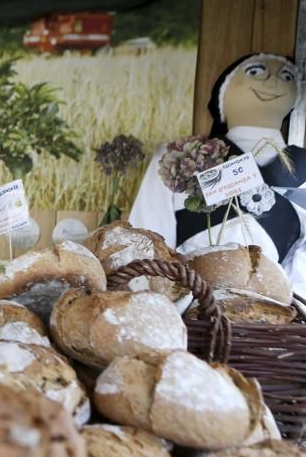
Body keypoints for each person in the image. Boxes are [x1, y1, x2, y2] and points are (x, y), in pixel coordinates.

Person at [130, 52, 306, 296]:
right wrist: (158, 297)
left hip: (271, 318)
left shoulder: (303, 168)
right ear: (223, 92)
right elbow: (147, 234)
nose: (273, 82)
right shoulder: (180, 157)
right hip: (190, 303)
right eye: (255, 72)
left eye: (286, 76)